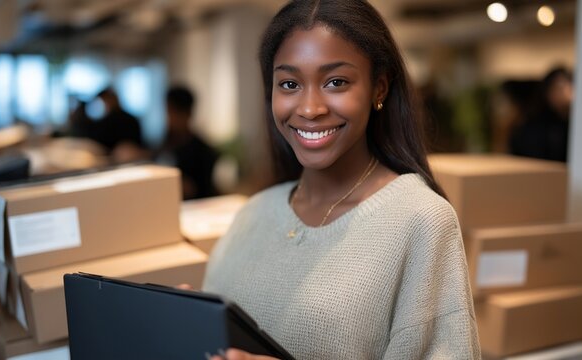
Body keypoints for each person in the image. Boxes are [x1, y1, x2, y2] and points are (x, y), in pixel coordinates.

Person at [203, 1, 480, 359]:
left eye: (336, 82)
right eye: (289, 84)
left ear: (379, 89)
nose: (309, 108)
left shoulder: (421, 220)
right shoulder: (253, 213)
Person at [156, 85, 219, 199]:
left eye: (172, 112)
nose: (169, 117)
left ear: (187, 113)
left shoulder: (203, 152)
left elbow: (203, 192)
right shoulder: (166, 143)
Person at [509, 67, 574, 162]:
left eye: (569, 86)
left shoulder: (571, 123)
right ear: (547, 91)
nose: (567, 92)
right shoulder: (536, 124)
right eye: (559, 88)